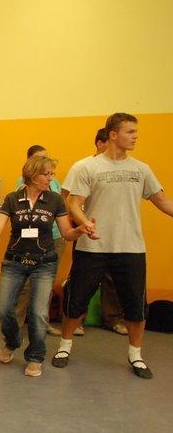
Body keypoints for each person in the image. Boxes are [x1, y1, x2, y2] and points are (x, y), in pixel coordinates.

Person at [53, 113, 173, 379]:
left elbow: (163, 201)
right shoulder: (86, 167)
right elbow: (73, 203)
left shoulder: (141, 169)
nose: (135, 137)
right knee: (76, 300)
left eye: (136, 132)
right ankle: (64, 346)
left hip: (131, 248)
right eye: (130, 132)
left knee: (135, 305)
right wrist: (85, 222)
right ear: (113, 134)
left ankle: (135, 355)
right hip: (91, 248)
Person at [0, 155, 96, 377]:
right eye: (47, 174)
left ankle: (35, 356)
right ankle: (13, 341)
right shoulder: (13, 199)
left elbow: (67, 233)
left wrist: (80, 230)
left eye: (52, 174)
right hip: (14, 262)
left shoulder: (55, 200)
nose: (51, 178)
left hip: (44, 264)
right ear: (34, 176)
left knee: (38, 313)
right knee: (4, 309)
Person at [60, 128, 127, 337]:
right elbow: (64, 197)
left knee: (112, 278)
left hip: (116, 232)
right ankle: (76, 320)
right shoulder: (82, 167)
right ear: (99, 143)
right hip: (85, 231)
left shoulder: (122, 169)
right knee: (82, 277)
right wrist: (73, 223)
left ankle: (112, 319)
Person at [12, 146, 64, 337]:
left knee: (46, 283)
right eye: (39, 159)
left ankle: (43, 323)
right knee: (26, 284)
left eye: (46, 159)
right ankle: (16, 324)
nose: (45, 164)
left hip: (54, 237)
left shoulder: (55, 183)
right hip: (29, 240)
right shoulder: (22, 184)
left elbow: (61, 207)